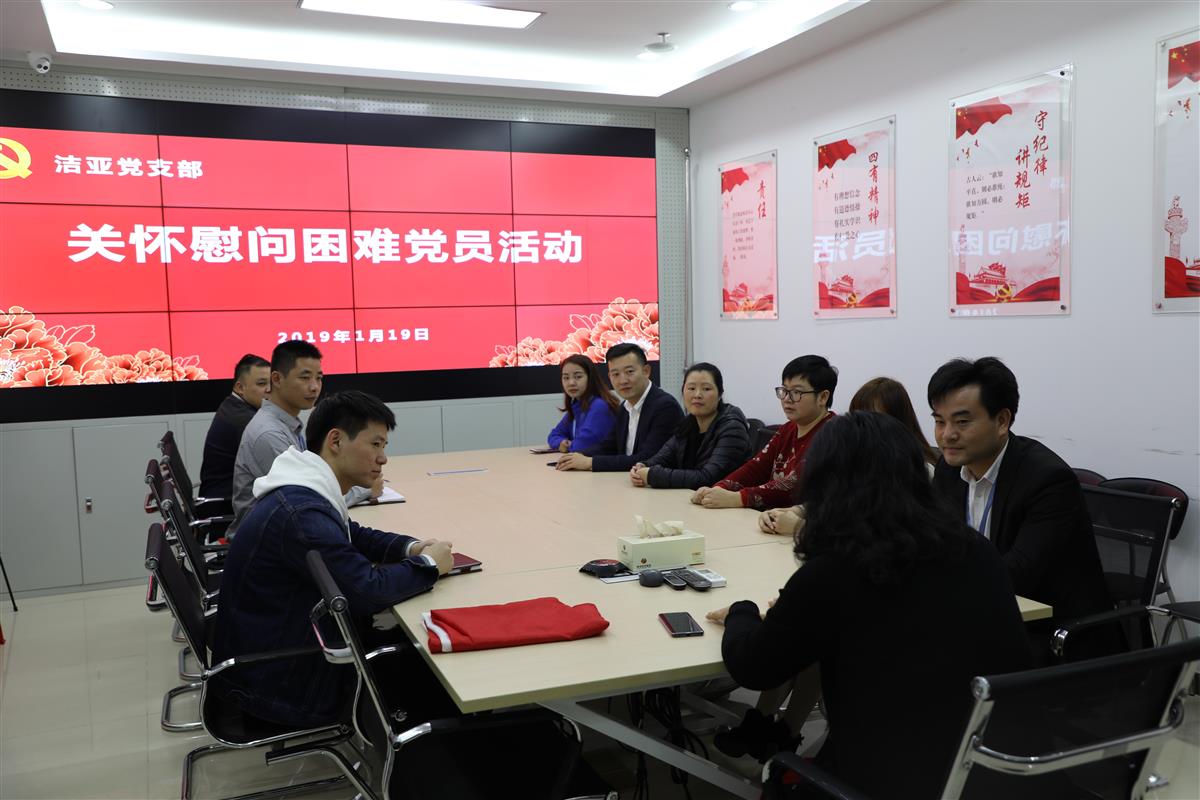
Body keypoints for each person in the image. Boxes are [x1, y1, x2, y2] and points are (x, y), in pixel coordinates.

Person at [707, 412, 1033, 794]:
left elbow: (753, 668)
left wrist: (742, 611)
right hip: (1000, 763)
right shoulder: (978, 550)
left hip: (888, 775)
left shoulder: (836, 570)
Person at [210, 390, 456, 729]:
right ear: (336, 441)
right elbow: (367, 591)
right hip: (284, 686)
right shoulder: (302, 514)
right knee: (435, 662)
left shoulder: (302, 488)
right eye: (375, 444)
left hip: (278, 654)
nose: (383, 458)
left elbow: (353, 533)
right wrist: (429, 566)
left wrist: (411, 549)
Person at [927, 356, 1113, 660]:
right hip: (984, 616)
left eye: (962, 422)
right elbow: (934, 544)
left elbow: (1017, 573)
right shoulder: (950, 470)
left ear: (1002, 421)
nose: (947, 435)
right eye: (939, 421)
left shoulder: (1047, 481)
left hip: (1050, 634)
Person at [758, 376, 937, 536]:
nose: (862, 427)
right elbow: (830, 503)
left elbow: (878, 537)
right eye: (858, 418)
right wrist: (790, 512)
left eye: (873, 418)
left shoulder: (919, 471)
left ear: (898, 423)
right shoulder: (858, 461)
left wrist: (801, 527)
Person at [692, 355, 836, 510]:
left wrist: (739, 498)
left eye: (796, 392)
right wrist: (719, 488)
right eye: (784, 390)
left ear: (822, 397)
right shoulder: (787, 429)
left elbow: (794, 484)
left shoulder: (834, 433)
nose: (787, 399)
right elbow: (756, 468)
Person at [227, 340, 324, 535]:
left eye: (319, 378)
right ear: (277, 379)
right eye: (305, 378)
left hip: (283, 530)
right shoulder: (269, 433)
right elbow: (309, 497)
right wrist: (363, 490)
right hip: (265, 540)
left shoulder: (285, 423)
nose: (314, 387)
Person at [556, 342, 683, 472]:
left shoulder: (665, 407)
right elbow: (609, 445)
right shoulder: (625, 407)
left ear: (646, 371)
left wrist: (590, 462)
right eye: (615, 374)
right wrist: (578, 456)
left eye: (629, 372)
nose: (623, 381)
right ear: (609, 377)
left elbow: (648, 459)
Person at [629, 362, 751, 490]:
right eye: (691, 388)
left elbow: (708, 478)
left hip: (724, 499)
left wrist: (652, 475)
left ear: (720, 394)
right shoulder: (688, 424)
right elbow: (662, 457)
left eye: (706, 389)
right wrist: (642, 466)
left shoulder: (733, 428)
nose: (697, 395)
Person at [198, 354, 270, 504]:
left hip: (227, 497)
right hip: (226, 505)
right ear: (240, 388)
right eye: (262, 384)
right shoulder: (244, 421)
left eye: (273, 383)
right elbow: (277, 470)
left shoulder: (233, 405)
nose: (269, 389)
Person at [547, 354, 619, 454]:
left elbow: (581, 446)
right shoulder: (577, 405)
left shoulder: (600, 406)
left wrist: (569, 446)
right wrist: (561, 442)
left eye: (578, 377)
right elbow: (553, 435)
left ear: (590, 378)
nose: (571, 383)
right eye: (566, 378)